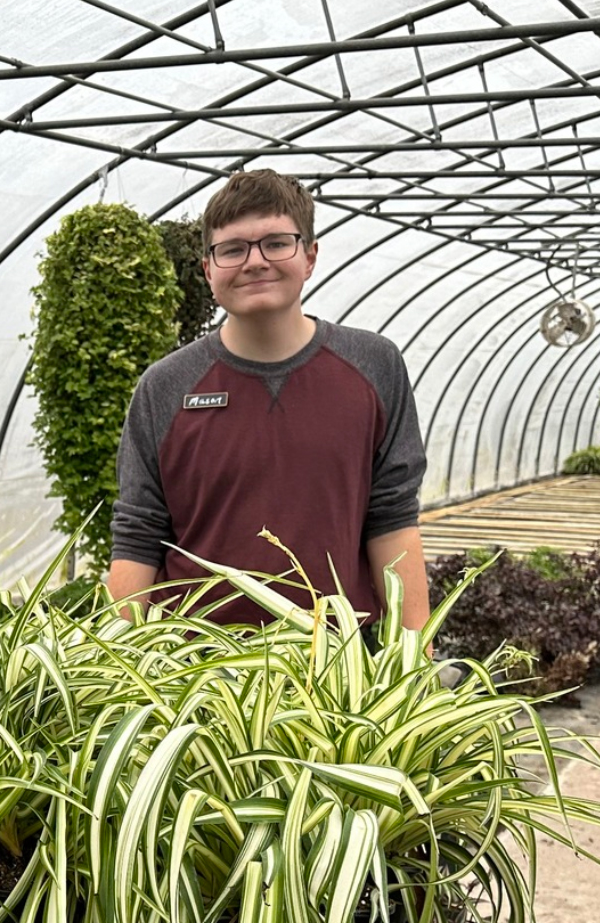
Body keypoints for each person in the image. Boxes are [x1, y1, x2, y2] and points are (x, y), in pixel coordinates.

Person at [107, 170, 429, 631]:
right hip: (193, 672)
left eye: (276, 243)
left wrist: (414, 658)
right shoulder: (165, 387)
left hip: (342, 670)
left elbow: (392, 516)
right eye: (233, 249)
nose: (255, 262)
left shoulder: (373, 365)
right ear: (208, 269)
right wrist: (118, 668)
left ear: (310, 255)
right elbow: (139, 533)